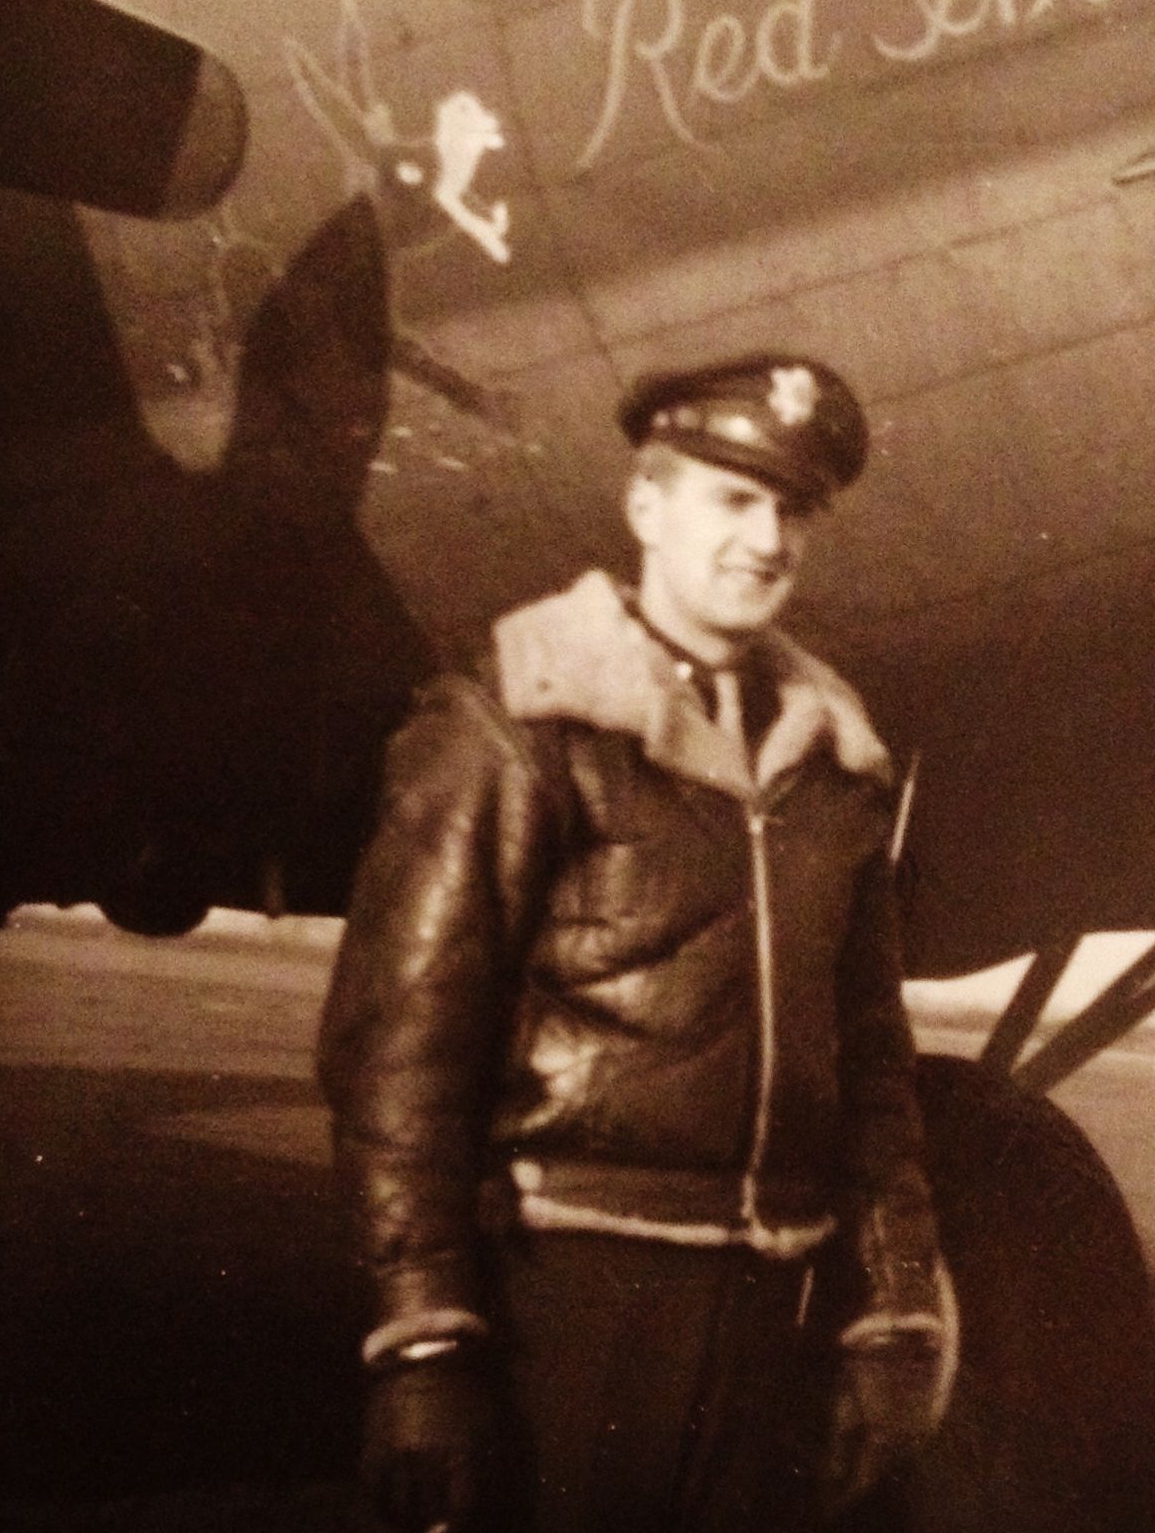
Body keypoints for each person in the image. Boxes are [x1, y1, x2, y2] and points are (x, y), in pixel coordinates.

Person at [317, 353, 955, 1532]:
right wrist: (420, 1341)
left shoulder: (836, 766)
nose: (766, 539)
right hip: (564, 1301)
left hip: (769, 1314)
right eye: (731, 498)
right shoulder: (518, 724)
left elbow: (870, 1064)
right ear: (645, 507)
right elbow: (399, 1051)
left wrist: (895, 1305)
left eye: (792, 509)